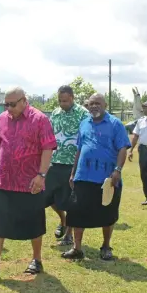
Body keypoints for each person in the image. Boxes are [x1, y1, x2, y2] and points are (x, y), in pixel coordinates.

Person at [0, 87, 56, 280]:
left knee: (33, 221)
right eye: (6, 104)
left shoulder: (40, 120)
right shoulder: (2, 119)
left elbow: (48, 148)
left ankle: (36, 259)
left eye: (12, 104)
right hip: (4, 181)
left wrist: (41, 175)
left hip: (30, 183)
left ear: (24, 101)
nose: (8, 108)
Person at [62, 93, 131, 260]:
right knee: (77, 212)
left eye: (97, 103)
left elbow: (123, 148)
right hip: (83, 176)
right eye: (91, 104)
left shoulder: (115, 124)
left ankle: (106, 246)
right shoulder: (84, 123)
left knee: (107, 213)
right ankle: (77, 248)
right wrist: (73, 172)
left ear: (105, 105)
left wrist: (117, 170)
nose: (94, 106)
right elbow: (80, 149)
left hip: (106, 178)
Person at [45, 85, 89, 246]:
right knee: (47, 196)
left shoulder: (83, 114)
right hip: (54, 161)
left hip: (73, 163)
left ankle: (69, 234)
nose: (62, 103)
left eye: (65, 100)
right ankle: (63, 219)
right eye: (60, 100)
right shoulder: (55, 113)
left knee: (71, 199)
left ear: (72, 97)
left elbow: (87, 137)